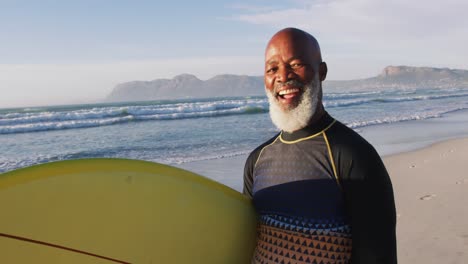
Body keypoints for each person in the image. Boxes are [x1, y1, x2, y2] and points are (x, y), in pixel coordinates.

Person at [243, 28, 397, 264]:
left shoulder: (352, 155)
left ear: (321, 71)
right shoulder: (257, 160)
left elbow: (378, 256)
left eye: (295, 65)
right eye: (272, 69)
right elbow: (244, 240)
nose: (283, 77)